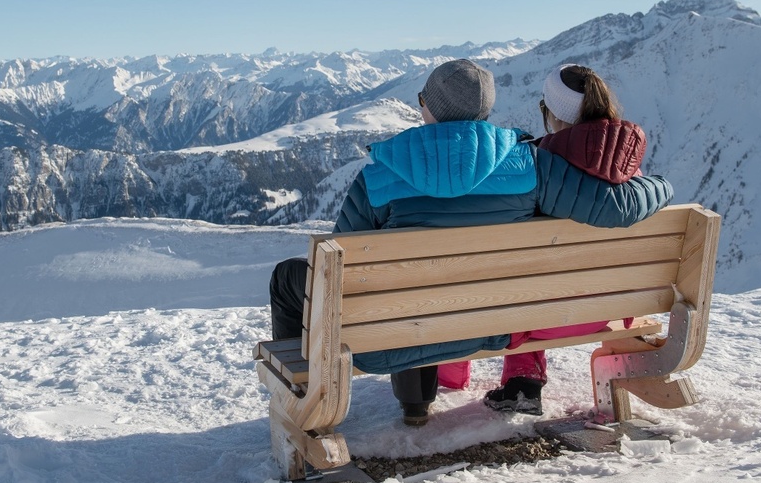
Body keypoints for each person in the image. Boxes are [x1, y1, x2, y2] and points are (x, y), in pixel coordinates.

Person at [268, 59, 671, 427]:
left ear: (428, 107)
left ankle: (302, 393)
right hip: (494, 327)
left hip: (386, 339)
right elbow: (613, 206)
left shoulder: (376, 178)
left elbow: (340, 275)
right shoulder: (533, 166)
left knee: (291, 277)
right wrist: (662, 185)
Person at [438, 64, 650, 416]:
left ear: (550, 113)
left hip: (540, 314)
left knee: (515, 280)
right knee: (536, 280)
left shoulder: (537, 166)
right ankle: (522, 379)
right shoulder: (631, 169)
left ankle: (483, 379)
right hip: (612, 307)